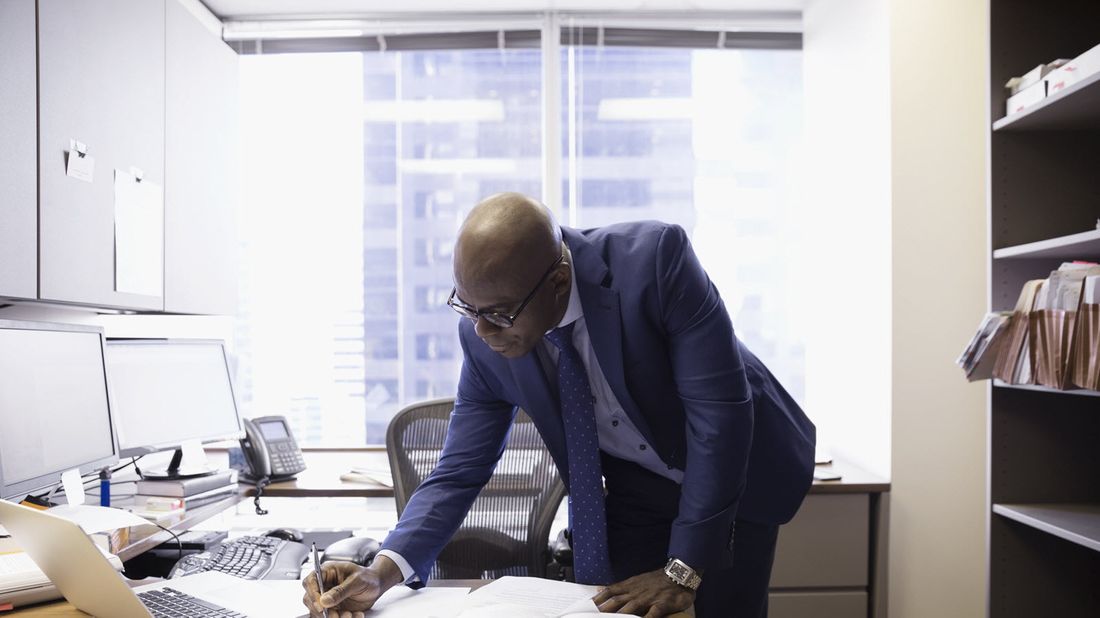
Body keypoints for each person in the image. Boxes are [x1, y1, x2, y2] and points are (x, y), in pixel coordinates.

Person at [304, 193, 815, 617]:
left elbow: (719, 419)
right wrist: (383, 571)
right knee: (618, 610)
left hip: (740, 466)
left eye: (499, 314)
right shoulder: (483, 338)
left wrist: (683, 570)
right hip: (642, 487)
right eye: (467, 307)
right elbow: (458, 471)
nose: (483, 331)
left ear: (559, 282)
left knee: (723, 607)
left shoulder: (656, 261)